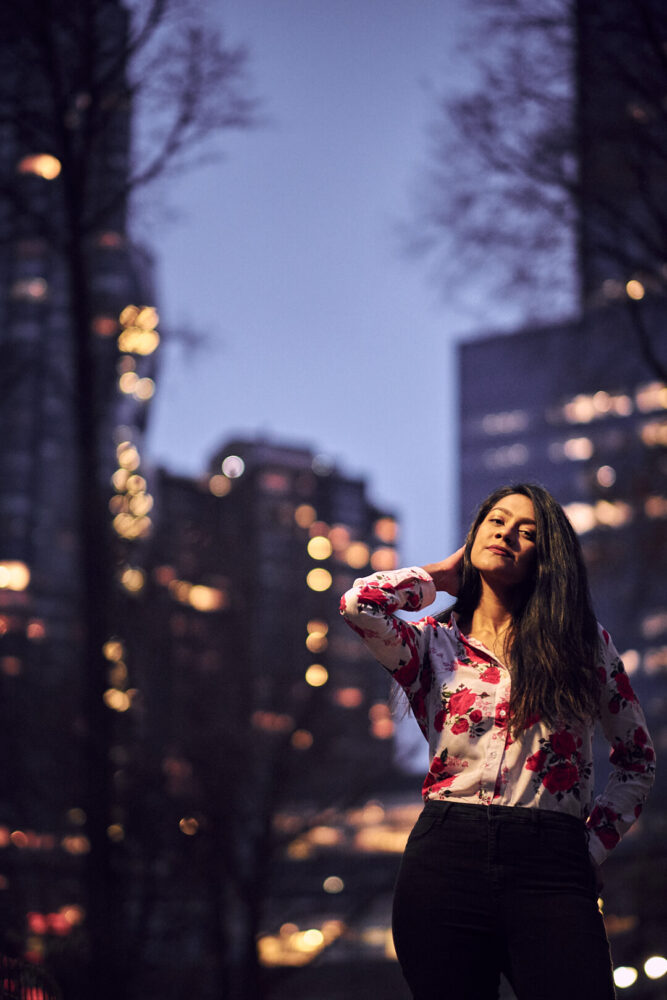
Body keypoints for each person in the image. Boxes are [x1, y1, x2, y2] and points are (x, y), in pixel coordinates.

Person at [340, 484, 655, 1000]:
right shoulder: (430, 646)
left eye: (527, 532)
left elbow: (637, 761)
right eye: (496, 521)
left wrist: (589, 848)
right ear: (475, 536)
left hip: (552, 863)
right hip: (445, 859)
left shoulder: (583, 644)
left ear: (544, 558)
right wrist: (439, 578)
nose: (507, 534)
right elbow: (359, 606)